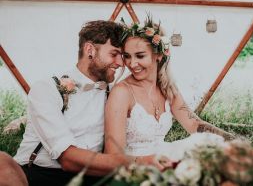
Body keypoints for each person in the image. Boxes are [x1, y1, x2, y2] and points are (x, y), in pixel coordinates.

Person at [0, 20, 133, 186]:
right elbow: (67, 159)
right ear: (90, 50)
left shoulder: (115, 94)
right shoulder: (47, 88)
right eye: (114, 54)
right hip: (38, 175)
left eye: (123, 56)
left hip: (91, 176)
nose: (121, 63)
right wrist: (138, 163)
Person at [104, 17, 235, 170]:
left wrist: (233, 141)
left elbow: (194, 124)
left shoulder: (167, 87)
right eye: (127, 56)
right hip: (134, 167)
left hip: (164, 157)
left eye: (140, 56)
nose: (132, 64)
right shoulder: (122, 92)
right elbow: (113, 154)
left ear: (158, 55)